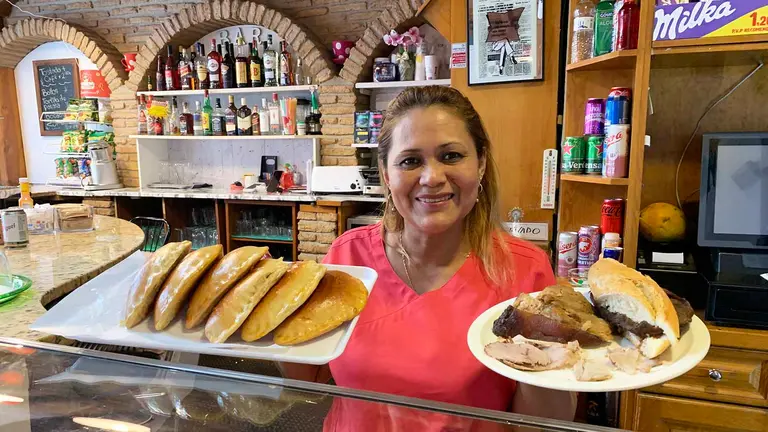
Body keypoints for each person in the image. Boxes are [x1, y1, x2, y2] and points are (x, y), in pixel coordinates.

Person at [281, 86, 576, 430]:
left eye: (451, 156)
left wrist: (542, 357)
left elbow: (543, 422)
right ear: (387, 174)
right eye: (410, 161)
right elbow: (308, 378)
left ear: (480, 163)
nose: (432, 177)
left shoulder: (524, 269)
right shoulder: (347, 256)